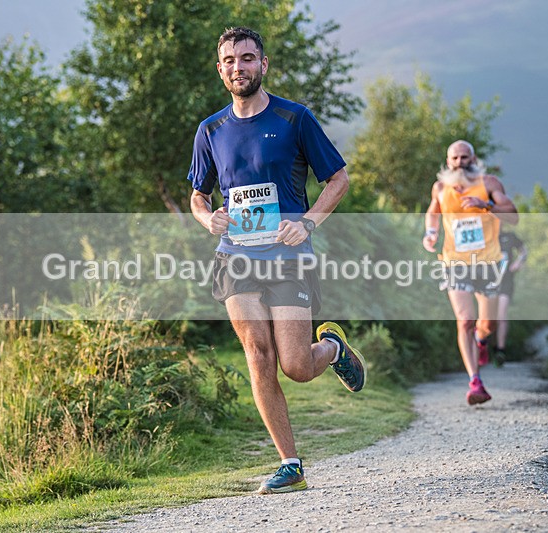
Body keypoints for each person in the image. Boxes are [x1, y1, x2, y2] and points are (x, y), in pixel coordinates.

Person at [187, 27, 366, 495]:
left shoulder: (294, 118)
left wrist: (307, 223)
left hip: (288, 256)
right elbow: (198, 195)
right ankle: (290, 464)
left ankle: (333, 349)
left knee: (297, 365)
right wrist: (207, 219)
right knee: (258, 354)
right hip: (236, 256)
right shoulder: (210, 130)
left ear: (263, 65)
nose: (238, 67)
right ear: (220, 69)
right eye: (229, 60)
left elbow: (338, 179)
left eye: (247, 58)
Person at [422, 140, 518, 405]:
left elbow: (513, 215)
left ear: (473, 159)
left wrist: (485, 205)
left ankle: (481, 340)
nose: (459, 163)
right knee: (465, 320)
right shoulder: (440, 187)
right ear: (448, 161)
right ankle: (475, 382)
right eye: (454, 158)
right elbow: (433, 212)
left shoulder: (489, 183)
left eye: (464, 157)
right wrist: (431, 233)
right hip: (455, 262)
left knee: (487, 325)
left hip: (488, 263)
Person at [494, 229, 528, 366]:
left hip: (506, 280)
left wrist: (519, 262)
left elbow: (524, 250)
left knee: (501, 315)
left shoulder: (510, 236)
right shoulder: (484, 234)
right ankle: (483, 346)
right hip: (486, 280)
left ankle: (500, 350)